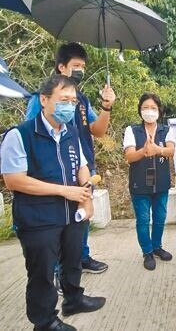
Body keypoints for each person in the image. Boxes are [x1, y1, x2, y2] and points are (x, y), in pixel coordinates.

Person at [0, 75, 106, 331]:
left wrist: (86, 194)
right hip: (38, 219)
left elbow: (81, 165)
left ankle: (73, 299)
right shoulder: (21, 134)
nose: (69, 106)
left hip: (72, 215)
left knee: (72, 260)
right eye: (63, 100)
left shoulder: (70, 132)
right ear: (44, 100)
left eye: (73, 100)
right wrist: (64, 191)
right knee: (42, 273)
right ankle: (44, 321)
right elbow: (14, 180)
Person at [25, 42, 115, 275]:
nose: (80, 71)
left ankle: (80, 257)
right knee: (56, 220)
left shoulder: (82, 100)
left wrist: (107, 106)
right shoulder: (41, 99)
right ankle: (57, 269)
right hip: (53, 171)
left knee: (81, 214)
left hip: (82, 166)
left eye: (83, 67)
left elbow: (98, 130)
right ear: (61, 67)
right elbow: (31, 134)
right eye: (76, 65)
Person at [123, 93, 175, 271]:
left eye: (153, 108)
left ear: (159, 111)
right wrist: (144, 151)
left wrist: (157, 149)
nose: (149, 111)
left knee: (160, 218)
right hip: (139, 184)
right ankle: (147, 252)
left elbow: (171, 150)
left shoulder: (166, 130)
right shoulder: (132, 130)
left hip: (161, 183)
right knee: (143, 220)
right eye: (145, 108)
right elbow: (129, 156)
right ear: (140, 110)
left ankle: (157, 247)